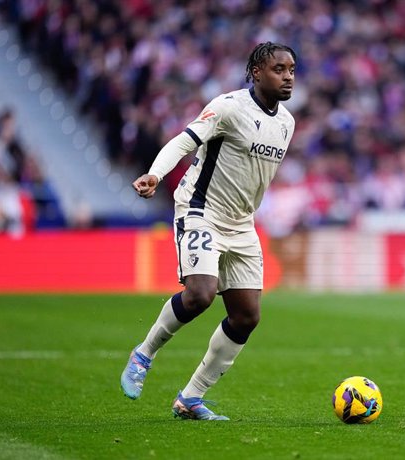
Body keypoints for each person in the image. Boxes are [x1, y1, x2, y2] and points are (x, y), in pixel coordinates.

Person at [120, 42, 297, 421]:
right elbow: (184, 141)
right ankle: (144, 353)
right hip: (201, 211)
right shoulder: (228, 107)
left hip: (242, 224)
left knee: (247, 316)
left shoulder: (287, 122)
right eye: (279, 70)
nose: (288, 77)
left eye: (292, 70)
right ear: (257, 73)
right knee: (200, 293)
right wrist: (156, 173)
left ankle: (190, 398)